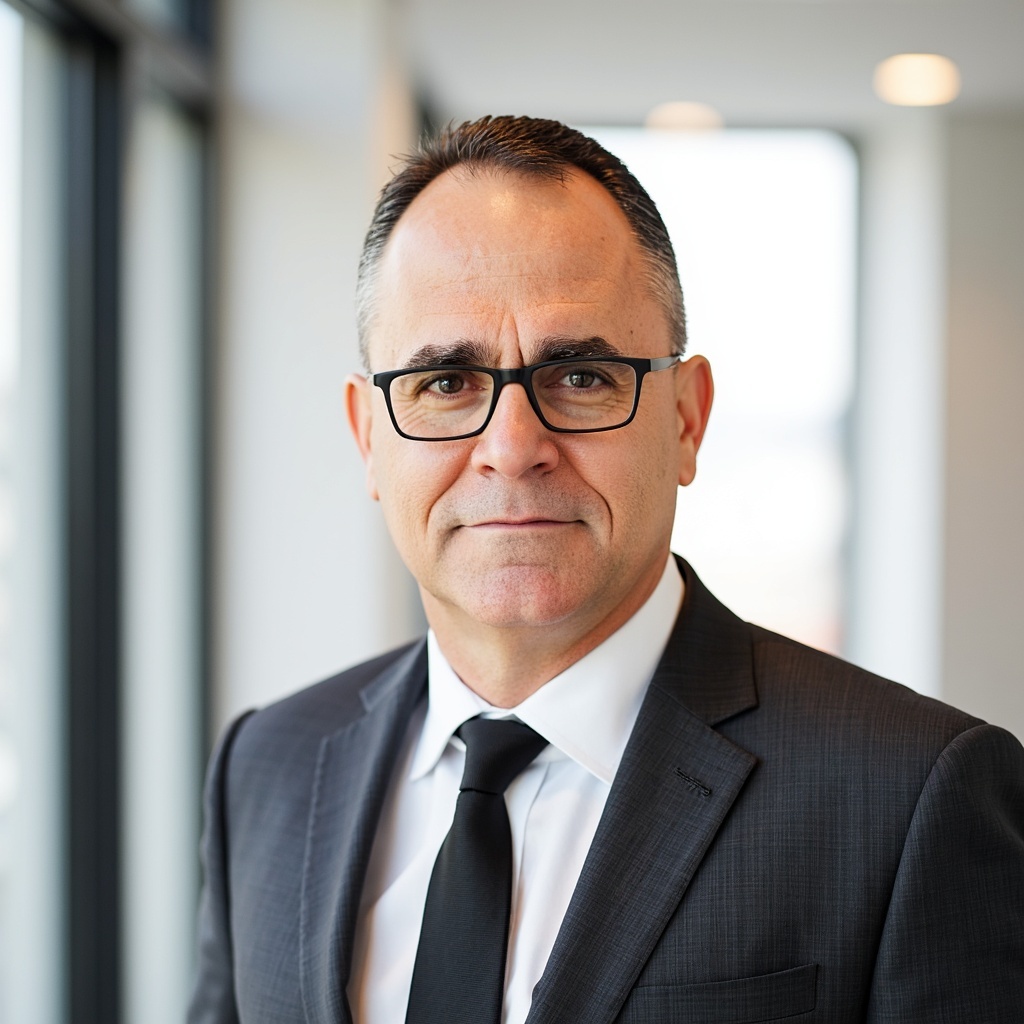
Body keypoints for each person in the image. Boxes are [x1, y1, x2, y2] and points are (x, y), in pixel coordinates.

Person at [188, 116, 1024, 1024]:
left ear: (686, 419)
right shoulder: (267, 766)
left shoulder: (912, 797)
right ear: (368, 438)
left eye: (581, 377)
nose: (512, 448)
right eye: (446, 383)